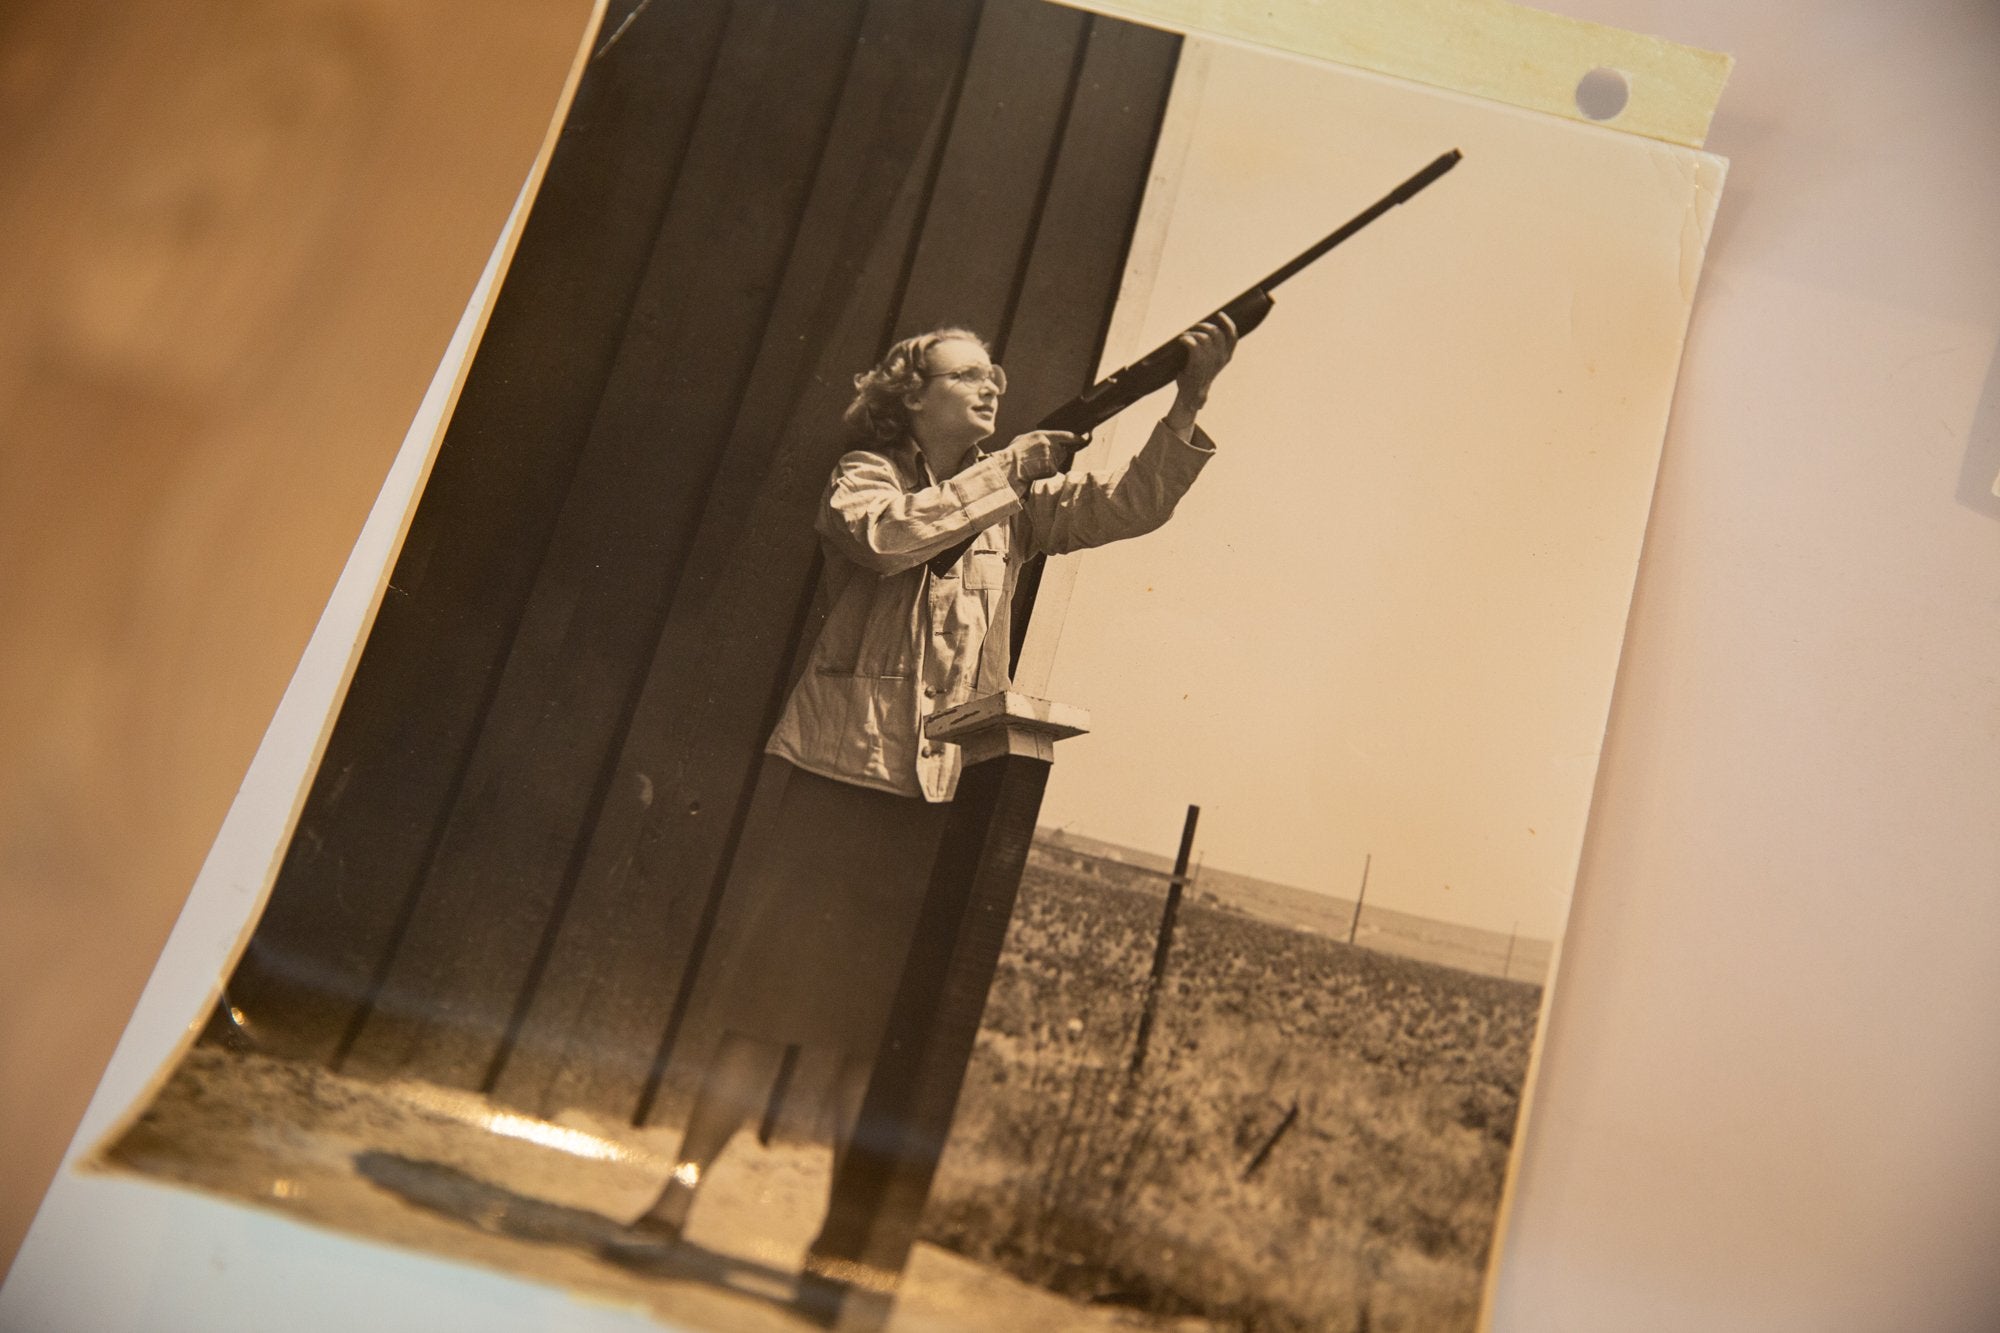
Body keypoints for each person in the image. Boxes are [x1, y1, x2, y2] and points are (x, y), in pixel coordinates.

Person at [616, 315, 1236, 1250]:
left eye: (997, 376)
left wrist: (1191, 393)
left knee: (879, 1037)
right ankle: (678, 1197)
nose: (992, 389)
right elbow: (888, 539)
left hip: (939, 799)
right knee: (762, 1010)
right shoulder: (865, 477)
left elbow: (1130, 505)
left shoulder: (1015, 503)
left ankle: (844, 1240)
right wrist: (1012, 470)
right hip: (838, 781)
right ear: (913, 395)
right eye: (968, 376)